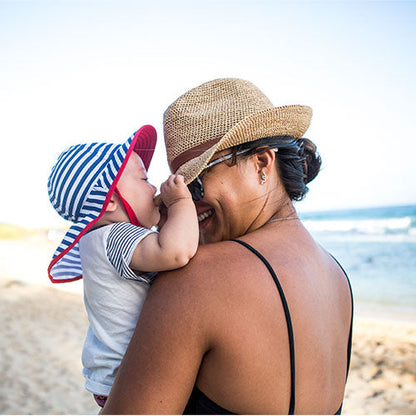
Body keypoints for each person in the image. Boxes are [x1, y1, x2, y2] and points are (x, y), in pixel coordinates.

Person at [101, 78, 354, 415]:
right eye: (179, 185)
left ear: (262, 163)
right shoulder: (337, 275)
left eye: (195, 181)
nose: (187, 201)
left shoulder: (198, 280)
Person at [47, 125, 198, 407]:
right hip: (127, 375)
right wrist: (180, 202)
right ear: (110, 201)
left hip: (109, 376)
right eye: (143, 179)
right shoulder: (116, 236)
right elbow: (177, 252)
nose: (153, 187)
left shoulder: (98, 240)